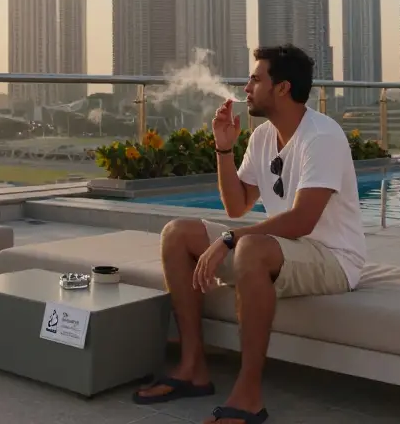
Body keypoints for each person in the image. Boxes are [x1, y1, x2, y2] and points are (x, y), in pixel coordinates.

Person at [133, 45, 367, 424]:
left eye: (256, 79)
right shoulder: (262, 137)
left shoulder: (321, 136)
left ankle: (247, 396)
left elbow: (302, 221)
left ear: (282, 88)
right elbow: (236, 205)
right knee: (177, 233)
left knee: (250, 249)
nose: (246, 87)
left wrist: (228, 240)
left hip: (331, 257)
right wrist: (223, 149)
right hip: (281, 250)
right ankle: (193, 368)